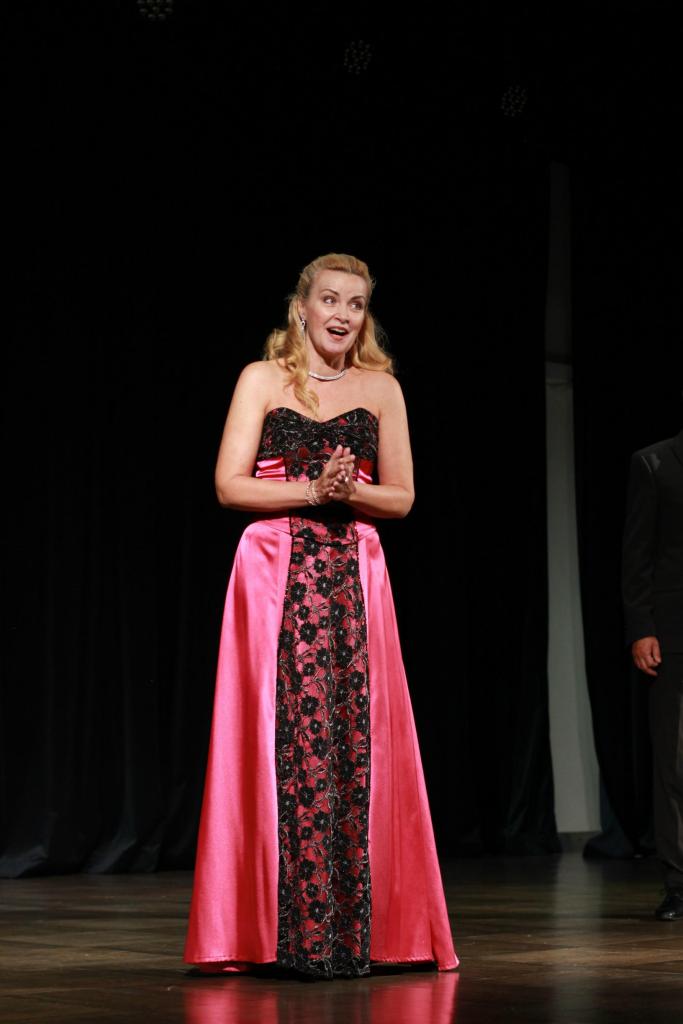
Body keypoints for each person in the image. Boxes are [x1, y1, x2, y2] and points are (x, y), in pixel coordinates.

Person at [183, 253, 458, 978]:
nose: (342, 314)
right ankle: (274, 934)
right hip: (273, 571)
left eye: (356, 304)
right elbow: (229, 485)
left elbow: (401, 497)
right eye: (330, 299)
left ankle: (359, 932)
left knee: (355, 742)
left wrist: (348, 491)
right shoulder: (261, 378)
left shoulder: (382, 388)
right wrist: (312, 490)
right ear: (301, 306)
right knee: (277, 739)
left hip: (353, 573)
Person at [622, 425, 683, 920]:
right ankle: (679, 883)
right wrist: (641, 627)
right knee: (674, 761)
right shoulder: (655, 463)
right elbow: (637, 552)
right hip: (673, 632)